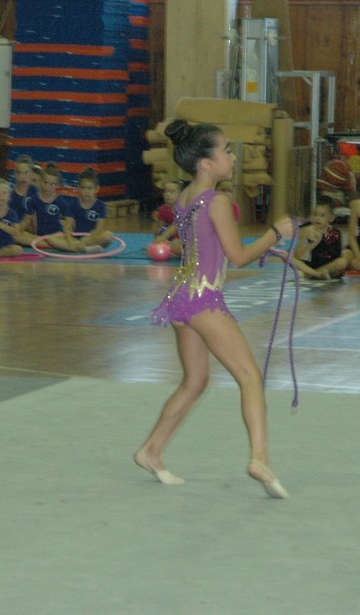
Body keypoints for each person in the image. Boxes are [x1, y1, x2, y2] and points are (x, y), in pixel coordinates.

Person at [136, 119, 295, 499]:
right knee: (250, 377)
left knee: (195, 382)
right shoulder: (218, 201)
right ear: (206, 163)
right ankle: (260, 458)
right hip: (203, 299)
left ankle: (151, 450)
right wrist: (276, 233)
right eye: (226, 151)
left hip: (180, 298)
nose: (232, 157)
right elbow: (238, 257)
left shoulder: (185, 196)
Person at [47, 167, 114, 253]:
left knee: (108, 235)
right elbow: (68, 227)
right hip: (75, 239)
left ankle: (80, 248)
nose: (86, 191)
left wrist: (85, 240)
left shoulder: (101, 206)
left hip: (92, 239)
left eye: (90, 188)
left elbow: (99, 229)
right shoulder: (72, 205)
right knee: (51, 239)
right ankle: (85, 249)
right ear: (78, 188)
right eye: (83, 188)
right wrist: (70, 241)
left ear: (96, 189)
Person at [291, 196, 348, 280]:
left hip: (328, 267)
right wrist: (313, 244)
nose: (318, 218)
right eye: (315, 214)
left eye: (322, 215)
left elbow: (337, 257)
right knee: (289, 257)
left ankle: (310, 275)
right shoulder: (308, 231)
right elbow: (298, 255)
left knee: (342, 262)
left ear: (331, 218)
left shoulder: (336, 233)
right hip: (312, 266)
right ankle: (317, 274)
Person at [19, 163, 71, 248]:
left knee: (52, 239)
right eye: (46, 183)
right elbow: (26, 221)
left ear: (57, 185)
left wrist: (67, 232)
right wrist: (17, 230)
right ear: (41, 182)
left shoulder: (60, 201)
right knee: (17, 236)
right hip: (40, 236)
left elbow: (69, 219)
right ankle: (52, 245)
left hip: (56, 235)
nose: (48, 187)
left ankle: (52, 244)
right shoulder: (34, 200)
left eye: (52, 184)